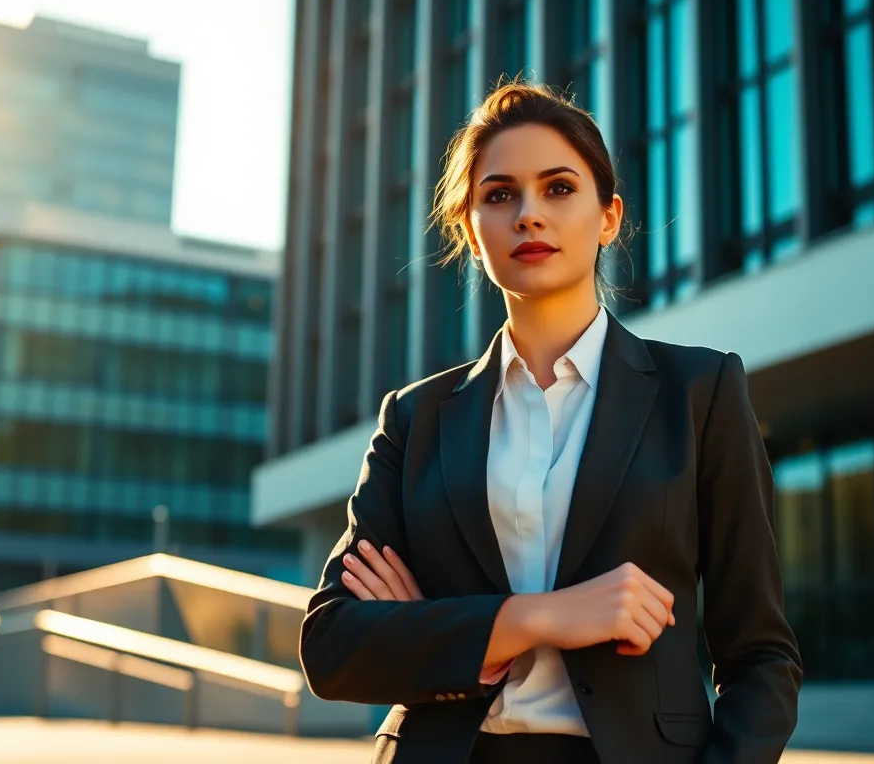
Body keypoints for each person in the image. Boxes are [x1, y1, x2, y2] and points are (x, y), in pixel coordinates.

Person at [298, 81, 802, 764]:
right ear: (471, 232)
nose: (528, 214)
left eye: (559, 188)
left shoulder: (699, 393)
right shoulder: (414, 419)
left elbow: (761, 656)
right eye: (499, 195)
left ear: (608, 216)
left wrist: (427, 629)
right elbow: (332, 646)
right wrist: (544, 617)